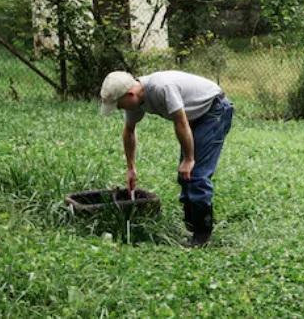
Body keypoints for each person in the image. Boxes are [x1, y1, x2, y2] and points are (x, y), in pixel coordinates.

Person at [100, 69, 234, 246]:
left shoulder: (161, 88)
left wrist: (189, 159)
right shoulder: (135, 101)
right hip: (193, 117)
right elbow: (129, 131)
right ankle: (192, 227)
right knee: (185, 175)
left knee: (195, 174)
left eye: (119, 104)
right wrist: (131, 168)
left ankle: (202, 236)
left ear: (130, 94)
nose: (120, 109)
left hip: (213, 111)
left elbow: (180, 121)